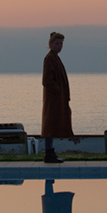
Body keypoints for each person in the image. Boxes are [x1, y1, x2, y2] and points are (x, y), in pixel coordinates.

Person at [41, 32, 73, 164]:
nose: (59, 46)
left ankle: (50, 152)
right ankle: (49, 153)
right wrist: (58, 91)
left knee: (53, 126)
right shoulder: (50, 58)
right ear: (50, 44)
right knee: (50, 126)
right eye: (57, 43)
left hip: (57, 99)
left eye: (61, 44)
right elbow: (47, 81)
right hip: (53, 100)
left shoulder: (55, 58)